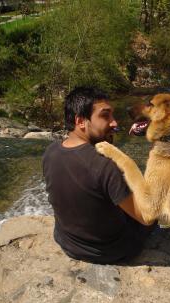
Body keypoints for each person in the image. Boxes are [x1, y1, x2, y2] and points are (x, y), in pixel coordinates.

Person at [42, 87, 155, 264]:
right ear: (81, 121)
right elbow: (146, 218)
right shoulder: (106, 165)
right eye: (105, 116)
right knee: (154, 214)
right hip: (108, 250)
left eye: (113, 115)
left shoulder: (51, 151)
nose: (115, 123)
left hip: (67, 242)